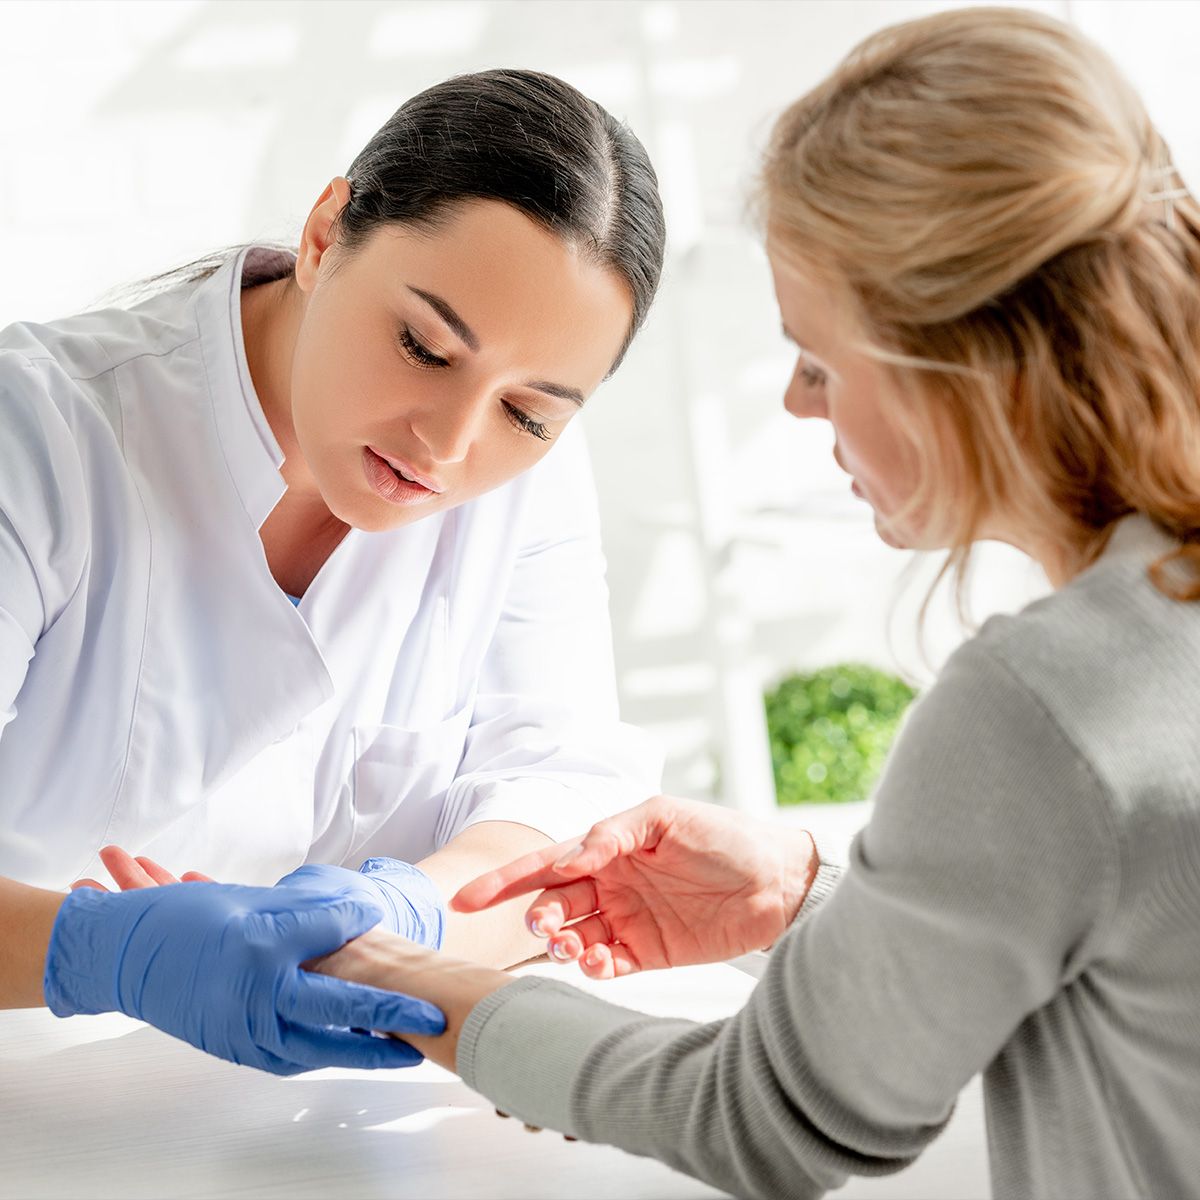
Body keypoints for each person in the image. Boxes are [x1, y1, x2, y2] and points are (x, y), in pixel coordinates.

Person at [305, 9, 1200, 1196]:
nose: (792, 403)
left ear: (957, 369)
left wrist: (415, 981)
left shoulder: (1043, 710)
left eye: (821, 361)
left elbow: (776, 1118)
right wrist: (808, 895)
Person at [0, 69, 666, 1075]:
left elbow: (561, 799)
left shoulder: (531, 481)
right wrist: (96, 957)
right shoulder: (38, 437)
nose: (449, 444)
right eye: (424, 347)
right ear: (323, 236)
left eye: (527, 412)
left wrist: (413, 911)